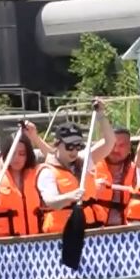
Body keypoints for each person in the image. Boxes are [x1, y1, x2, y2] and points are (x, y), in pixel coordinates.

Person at [37, 99, 116, 233]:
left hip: (92, 229)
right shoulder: (47, 172)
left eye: (78, 146)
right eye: (69, 146)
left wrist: (101, 115)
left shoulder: (84, 161)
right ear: (57, 144)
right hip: (64, 234)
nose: (74, 151)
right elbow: (51, 201)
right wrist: (70, 196)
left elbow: (110, 142)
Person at [91, 126, 136, 226]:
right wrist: (91, 188)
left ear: (129, 147)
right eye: (112, 145)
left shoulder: (137, 171)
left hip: (127, 231)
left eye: (122, 145)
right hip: (96, 231)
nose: (116, 149)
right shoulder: (90, 168)